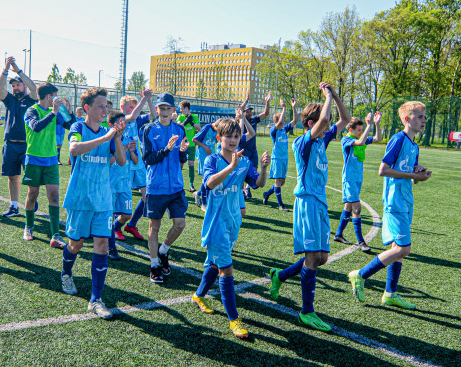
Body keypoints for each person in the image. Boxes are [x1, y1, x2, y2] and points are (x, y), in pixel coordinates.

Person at [268, 83, 351, 332]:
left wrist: (335, 96)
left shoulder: (322, 140)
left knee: (321, 258)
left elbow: (345, 119)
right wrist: (326, 96)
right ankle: (307, 311)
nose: (327, 126)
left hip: (321, 202)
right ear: (310, 124)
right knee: (312, 257)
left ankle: (280, 276)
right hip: (306, 202)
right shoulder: (302, 143)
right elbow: (325, 117)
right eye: (321, 124)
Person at [347, 102, 431, 309]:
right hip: (394, 201)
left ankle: (390, 293)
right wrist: (412, 174)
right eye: (420, 117)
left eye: (424, 117)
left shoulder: (414, 145)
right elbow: (383, 170)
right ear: (406, 119)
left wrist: (419, 174)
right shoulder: (398, 140)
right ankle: (361, 274)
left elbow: (412, 178)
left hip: (406, 199)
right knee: (404, 248)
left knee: (397, 248)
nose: (424, 120)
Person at [192, 118, 270, 339]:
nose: (234, 140)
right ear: (219, 139)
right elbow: (209, 184)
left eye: (237, 136)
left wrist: (263, 168)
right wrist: (231, 167)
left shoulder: (244, 162)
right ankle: (234, 320)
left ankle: (198, 296)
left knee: (215, 263)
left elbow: (258, 184)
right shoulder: (212, 160)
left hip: (233, 222)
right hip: (216, 222)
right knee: (226, 269)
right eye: (229, 136)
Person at [60, 88, 127, 320]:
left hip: (103, 199)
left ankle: (95, 299)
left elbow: (120, 161)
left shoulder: (109, 132)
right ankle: (66, 272)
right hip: (80, 198)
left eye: (107, 106)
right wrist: (106, 137)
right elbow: (74, 149)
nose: (105, 110)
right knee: (75, 245)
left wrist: (116, 138)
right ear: (87, 108)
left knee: (101, 246)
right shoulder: (78, 127)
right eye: (100, 106)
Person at [142, 92, 190, 284]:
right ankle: (154, 265)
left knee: (180, 224)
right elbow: (148, 159)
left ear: (173, 110)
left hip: (176, 186)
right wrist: (167, 150)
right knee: (155, 227)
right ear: (157, 110)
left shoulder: (180, 129)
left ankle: (163, 251)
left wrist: (182, 153)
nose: (164, 111)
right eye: (161, 108)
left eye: (168, 108)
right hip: (156, 187)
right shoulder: (148, 130)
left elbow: (181, 160)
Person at [21, 82, 75, 248]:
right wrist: (54, 112)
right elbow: (36, 127)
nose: (56, 99)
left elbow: (70, 124)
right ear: (49, 96)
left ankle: (55, 236)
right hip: (34, 159)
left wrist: (69, 111)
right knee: (33, 194)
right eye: (55, 96)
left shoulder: (55, 112)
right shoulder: (32, 110)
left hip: (51, 160)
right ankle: (28, 227)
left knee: (54, 196)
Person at [334, 112, 383, 252]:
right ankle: (361, 242)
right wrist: (369, 126)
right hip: (349, 179)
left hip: (357, 179)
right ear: (350, 130)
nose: (361, 132)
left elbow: (378, 138)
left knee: (349, 207)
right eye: (359, 130)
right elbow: (360, 141)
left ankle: (338, 234)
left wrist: (377, 124)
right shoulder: (346, 140)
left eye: (362, 130)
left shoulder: (359, 138)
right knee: (357, 208)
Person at [0, 56, 39, 217]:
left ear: (24, 85)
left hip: (28, 145)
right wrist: (6, 69)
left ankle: (31, 201)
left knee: (30, 178)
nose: (15, 88)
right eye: (13, 85)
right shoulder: (10, 101)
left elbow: (34, 88)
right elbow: (0, 88)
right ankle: (14, 206)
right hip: (10, 144)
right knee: (12, 176)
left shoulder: (31, 100)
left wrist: (18, 71)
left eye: (18, 84)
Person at [111, 90, 154, 241]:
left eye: (135, 107)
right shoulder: (119, 119)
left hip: (138, 162)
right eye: (130, 106)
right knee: (120, 196)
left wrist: (148, 100)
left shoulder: (137, 120)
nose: (133, 109)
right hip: (123, 164)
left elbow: (154, 116)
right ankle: (113, 228)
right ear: (122, 106)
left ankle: (130, 225)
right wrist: (145, 98)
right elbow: (132, 116)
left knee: (147, 196)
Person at [107, 110, 139, 260]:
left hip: (125, 184)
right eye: (119, 123)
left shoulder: (129, 138)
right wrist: (122, 149)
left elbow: (136, 161)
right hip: (111, 184)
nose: (122, 125)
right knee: (111, 214)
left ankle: (111, 230)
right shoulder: (108, 139)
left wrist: (131, 151)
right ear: (112, 124)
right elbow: (110, 161)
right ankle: (111, 247)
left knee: (126, 215)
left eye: (123, 122)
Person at [263, 98, 298, 211]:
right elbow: (279, 124)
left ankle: (267, 194)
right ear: (276, 122)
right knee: (278, 182)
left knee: (281, 182)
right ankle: (281, 205)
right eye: (281, 122)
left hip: (284, 159)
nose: (283, 123)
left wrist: (293, 107)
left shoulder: (284, 129)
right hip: (277, 158)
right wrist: (284, 108)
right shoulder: (274, 131)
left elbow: (295, 120)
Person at [239, 92, 271, 199]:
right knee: (242, 171)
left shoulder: (254, 120)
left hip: (253, 149)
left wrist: (267, 102)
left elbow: (266, 113)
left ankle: (247, 188)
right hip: (242, 149)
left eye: (250, 111)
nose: (250, 113)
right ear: (243, 112)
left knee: (255, 168)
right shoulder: (240, 121)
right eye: (247, 111)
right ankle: (242, 191)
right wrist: (246, 100)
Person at [177, 101, 202, 192]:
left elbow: (199, 128)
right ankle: (177, 182)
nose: (180, 110)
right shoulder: (181, 116)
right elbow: (179, 126)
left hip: (191, 145)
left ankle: (191, 185)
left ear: (186, 108)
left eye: (181, 108)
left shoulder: (194, 117)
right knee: (181, 164)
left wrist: (192, 124)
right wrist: (185, 121)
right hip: (182, 145)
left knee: (191, 164)